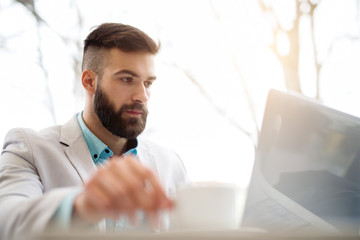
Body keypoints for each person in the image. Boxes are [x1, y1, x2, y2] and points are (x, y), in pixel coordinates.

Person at [0, 23, 188, 239]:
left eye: (148, 83)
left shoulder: (170, 164)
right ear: (89, 81)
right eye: (127, 79)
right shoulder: (29, 149)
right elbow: (7, 221)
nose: (142, 96)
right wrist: (82, 205)